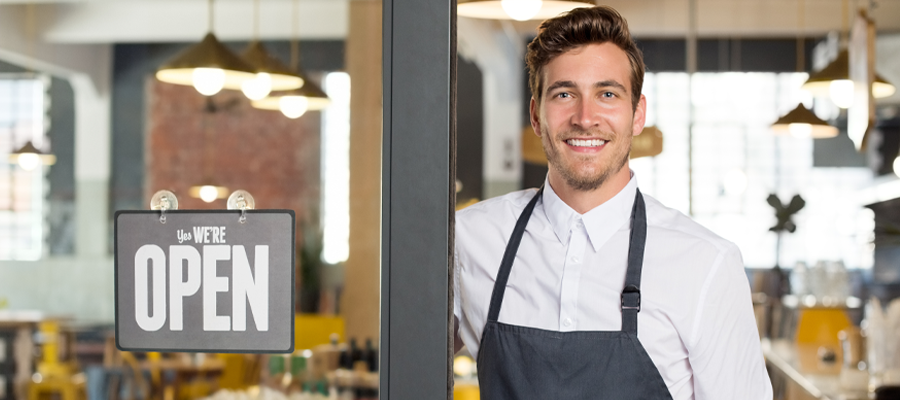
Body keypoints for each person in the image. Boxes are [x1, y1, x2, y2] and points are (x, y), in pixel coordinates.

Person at [453, 5, 773, 399]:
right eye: (564, 93)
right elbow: (408, 362)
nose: (585, 118)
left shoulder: (706, 263)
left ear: (637, 114)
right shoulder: (470, 240)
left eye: (607, 93)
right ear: (537, 116)